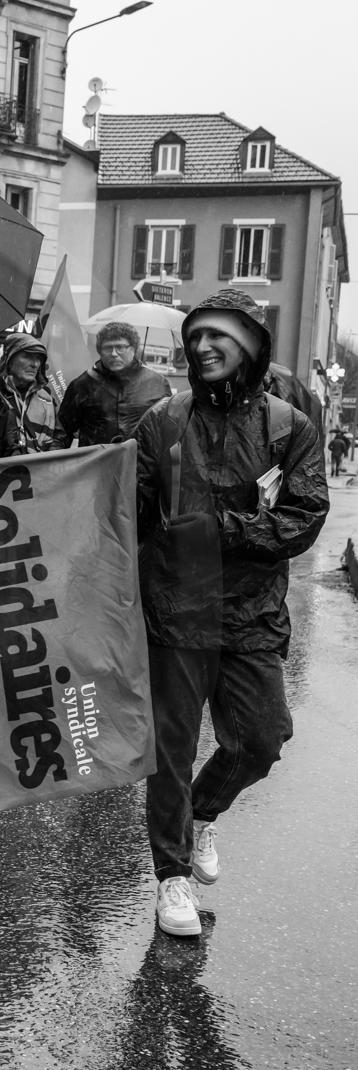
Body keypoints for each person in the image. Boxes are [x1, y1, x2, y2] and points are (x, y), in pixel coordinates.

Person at [133, 289, 327, 938]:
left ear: (250, 344)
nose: (203, 346)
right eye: (195, 336)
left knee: (261, 740)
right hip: (175, 613)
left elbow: (303, 517)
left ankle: (201, 813)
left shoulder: (288, 425)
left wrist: (224, 528)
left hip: (250, 615)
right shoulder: (161, 421)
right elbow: (124, 514)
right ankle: (172, 878)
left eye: (219, 336)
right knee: (171, 751)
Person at [59, 321, 171, 446]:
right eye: (107, 348)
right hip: (96, 463)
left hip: (141, 464)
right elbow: (60, 433)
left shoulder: (157, 384)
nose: (114, 354)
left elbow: (169, 432)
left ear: (133, 348)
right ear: (100, 351)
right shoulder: (82, 385)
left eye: (120, 347)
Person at [0, 332, 64, 453]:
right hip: (1, 470)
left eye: (38, 359)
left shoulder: (47, 399)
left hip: (37, 470)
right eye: (27, 356)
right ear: (9, 360)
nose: (35, 364)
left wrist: (47, 460)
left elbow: (58, 438)